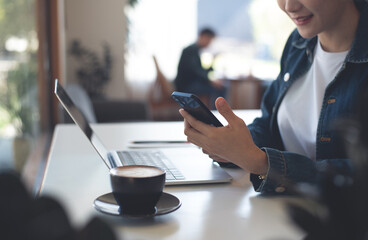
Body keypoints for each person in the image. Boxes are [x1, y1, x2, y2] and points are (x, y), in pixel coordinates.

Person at [179, 0, 368, 194]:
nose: (289, 6)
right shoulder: (298, 43)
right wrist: (230, 147)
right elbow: (269, 125)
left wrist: (262, 163)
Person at [174, 28, 226, 108]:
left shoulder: (195, 50)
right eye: (209, 40)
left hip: (192, 83)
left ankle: (216, 111)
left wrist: (213, 61)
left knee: (220, 87)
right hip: (186, 86)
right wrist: (211, 81)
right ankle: (218, 113)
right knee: (220, 88)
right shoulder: (190, 50)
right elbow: (195, 71)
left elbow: (200, 70)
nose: (209, 43)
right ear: (202, 37)